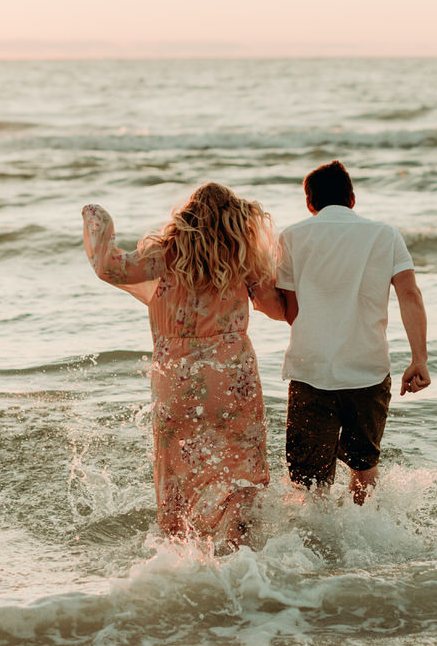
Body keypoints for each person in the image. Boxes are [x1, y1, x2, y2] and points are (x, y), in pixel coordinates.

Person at [82, 183, 286, 546]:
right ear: (235, 219)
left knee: (176, 467)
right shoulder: (243, 258)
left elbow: (108, 268)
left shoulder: (163, 255)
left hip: (176, 377)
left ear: (187, 215)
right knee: (242, 463)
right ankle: (239, 544)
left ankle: (182, 553)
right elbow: (274, 309)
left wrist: (98, 219)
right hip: (231, 375)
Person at [276, 160, 429, 504]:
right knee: (364, 470)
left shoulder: (291, 237)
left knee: (308, 485)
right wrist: (419, 358)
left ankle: (313, 548)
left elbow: (290, 311)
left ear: (309, 203)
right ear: (352, 199)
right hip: (368, 371)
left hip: (311, 370)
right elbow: (410, 294)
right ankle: (363, 544)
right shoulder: (385, 234)